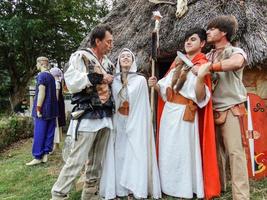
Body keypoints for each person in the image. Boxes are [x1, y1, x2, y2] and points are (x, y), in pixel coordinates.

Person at [149, 28, 218, 199]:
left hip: (185, 114)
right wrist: (155, 84)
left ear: (202, 44)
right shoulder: (177, 64)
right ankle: (167, 185)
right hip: (169, 113)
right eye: (187, 39)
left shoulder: (202, 65)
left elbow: (202, 98)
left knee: (183, 151)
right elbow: (165, 90)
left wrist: (200, 77)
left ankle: (184, 188)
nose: (188, 42)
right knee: (168, 149)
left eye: (193, 39)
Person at [51, 24, 114, 200]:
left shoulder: (108, 62)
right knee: (76, 160)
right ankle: (58, 195)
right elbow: (71, 82)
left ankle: (90, 195)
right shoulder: (82, 56)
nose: (111, 45)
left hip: (105, 117)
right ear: (97, 41)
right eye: (108, 42)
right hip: (87, 115)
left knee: (96, 162)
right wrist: (97, 77)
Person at [100, 48, 161, 199]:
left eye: (129, 56)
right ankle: (120, 188)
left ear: (133, 61)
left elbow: (141, 105)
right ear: (119, 61)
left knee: (134, 152)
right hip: (118, 121)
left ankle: (136, 186)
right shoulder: (113, 80)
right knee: (120, 152)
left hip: (135, 122)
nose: (126, 58)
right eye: (123, 56)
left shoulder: (140, 80)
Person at [203, 15, 250, 200]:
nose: (208, 32)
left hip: (231, 107)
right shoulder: (207, 55)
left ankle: (241, 196)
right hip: (209, 109)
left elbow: (237, 63)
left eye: (212, 29)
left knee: (235, 153)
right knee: (215, 154)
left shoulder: (235, 51)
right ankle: (218, 189)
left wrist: (210, 68)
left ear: (223, 32)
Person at [26, 57, 58, 166]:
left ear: (40, 63)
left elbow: (41, 93)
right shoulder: (51, 77)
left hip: (43, 109)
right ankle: (45, 154)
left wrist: (38, 108)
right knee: (49, 131)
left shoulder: (41, 76)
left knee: (39, 132)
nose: (36, 66)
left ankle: (37, 156)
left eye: (37, 64)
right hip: (52, 109)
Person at [50, 67, 66, 152]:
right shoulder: (58, 82)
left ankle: (55, 145)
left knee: (55, 125)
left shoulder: (56, 83)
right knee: (57, 125)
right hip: (59, 107)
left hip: (56, 107)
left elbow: (55, 98)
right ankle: (56, 145)